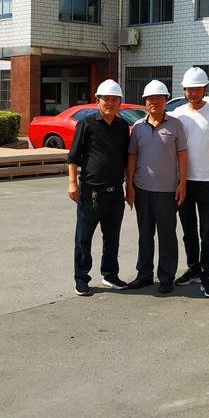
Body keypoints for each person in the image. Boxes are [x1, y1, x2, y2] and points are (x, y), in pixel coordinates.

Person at [67, 79, 130, 296]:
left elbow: (126, 159)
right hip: (90, 192)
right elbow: (73, 157)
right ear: (97, 101)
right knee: (83, 238)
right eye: (106, 99)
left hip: (115, 192)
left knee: (112, 238)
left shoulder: (122, 127)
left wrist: (129, 186)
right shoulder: (86, 124)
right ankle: (81, 279)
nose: (110, 103)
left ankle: (110, 275)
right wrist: (72, 183)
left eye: (114, 99)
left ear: (119, 102)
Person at [126, 80, 188, 294]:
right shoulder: (138, 127)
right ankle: (144, 274)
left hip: (167, 191)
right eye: (150, 98)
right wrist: (129, 185)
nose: (154, 101)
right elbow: (132, 156)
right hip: (142, 189)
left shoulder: (176, 125)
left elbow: (182, 155)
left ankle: (166, 277)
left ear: (165, 101)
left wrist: (182, 183)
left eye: (159, 98)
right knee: (145, 234)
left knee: (167, 235)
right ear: (145, 102)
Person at [171, 67, 209, 298]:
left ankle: (207, 275)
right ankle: (193, 268)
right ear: (184, 90)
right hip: (183, 181)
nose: (192, 93)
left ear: (204, 89)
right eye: (188, 89)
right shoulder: (178, 113)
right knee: (188, 229)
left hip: (207, 181)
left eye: (197, 89)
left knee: (207, 230)